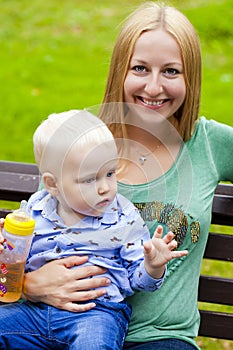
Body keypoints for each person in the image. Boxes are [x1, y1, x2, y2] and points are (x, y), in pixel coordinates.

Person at [1, 1, 232, 349]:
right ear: (119, 71)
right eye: (140, 68)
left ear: (191, 77)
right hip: (58, 325)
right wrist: (30, 284)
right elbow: (30, 238)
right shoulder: (79, 139)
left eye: (171, 71)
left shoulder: (210, 144)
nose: (154, 88)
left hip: (159, 338)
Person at [0, 109, 188, 349]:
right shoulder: (35, 211)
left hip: (96, 314)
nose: (105, 188)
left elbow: (136, 281)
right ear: (52, 184)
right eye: (89, 179)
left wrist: (153, 266)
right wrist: (5, 250)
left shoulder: (123, 217)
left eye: (110, 173)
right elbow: (10, 272)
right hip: (34, 313)